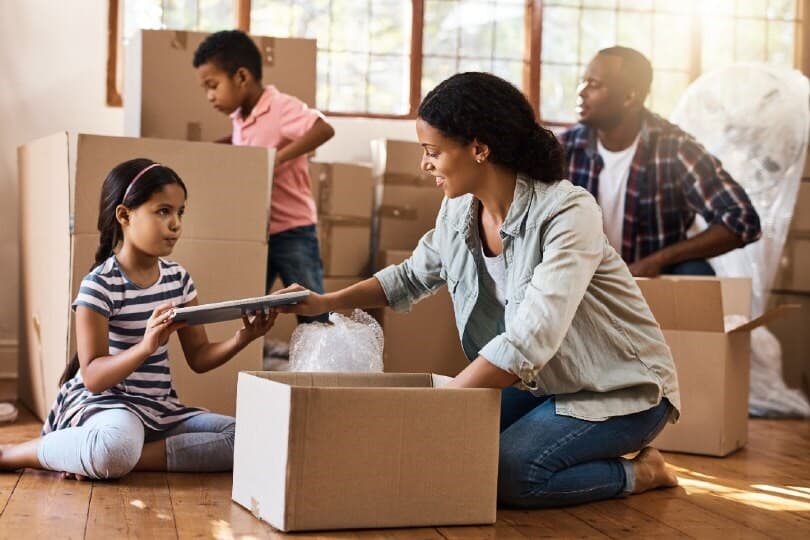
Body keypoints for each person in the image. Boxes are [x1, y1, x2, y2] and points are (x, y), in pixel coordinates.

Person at [278, 72, 681, 508]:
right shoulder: (458, 210)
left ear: (479, 148)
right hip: (545, 384)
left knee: (512, 472)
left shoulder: (567, 212)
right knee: (457, 446)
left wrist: (438, 404)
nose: (425, 165)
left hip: (618, 388)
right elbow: (412, 276)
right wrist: (326, 302)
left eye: (433, 152)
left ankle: (642, 471)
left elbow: (528, 341)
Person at [0, 159, 276, 480]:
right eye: (163, 211)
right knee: (117, 443)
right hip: (106, 404)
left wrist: (246, 336)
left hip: (158, 408)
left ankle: (108, 455)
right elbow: (92, 377)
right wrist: (145, 347)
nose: (176, 224)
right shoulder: (99, 284)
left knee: (245, 438)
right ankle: (11, 454)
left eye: (180, 212)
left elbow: (199, 357)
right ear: (124, 215)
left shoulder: (178, 279)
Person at [560, 46, 761, 277]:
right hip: (582, 282)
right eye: (582, 81)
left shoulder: (675, 148)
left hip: (652, 282)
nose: (581, 91)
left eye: (594, 84)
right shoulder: (565, 149)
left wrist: (659, 260)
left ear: (629, 97)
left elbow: (742, 218)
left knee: (695, 271)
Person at [193, 30, 334, 323]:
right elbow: (247, 147)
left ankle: (323, 367)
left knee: (312, 311)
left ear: (241, 77)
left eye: (213, 85)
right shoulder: (239, 116)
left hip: (293, 229)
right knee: (248, 311)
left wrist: (273, 160)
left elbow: (323, 129)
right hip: (257, 231)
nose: (209, 96)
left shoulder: (280, 107)